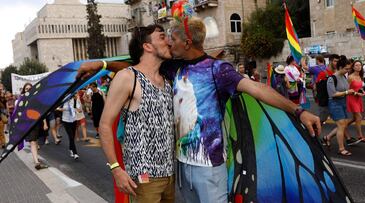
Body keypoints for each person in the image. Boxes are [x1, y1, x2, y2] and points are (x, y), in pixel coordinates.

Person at [78, 18, 320, 203]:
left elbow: (256, 88)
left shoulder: (218, 70)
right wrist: (101, 64)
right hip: (178, 168)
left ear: (187, 42)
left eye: (171, 38)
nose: (169, 42)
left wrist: (298, 111)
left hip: (208, 167)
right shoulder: (172, 69)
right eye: (164, 38)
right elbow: (136, 66)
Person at [100, 25, 175, 202]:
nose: (169, 42)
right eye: (162, 37)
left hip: (170, 175)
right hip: (144, 178)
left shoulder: (167, 81)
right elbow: (104, 125)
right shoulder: (128, 77)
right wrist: (116, 169)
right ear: (147, 46)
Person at [323, 56, 354, 156]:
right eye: (346, 68)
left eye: (349, 69)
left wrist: (354, 93)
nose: (348, 71)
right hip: (335, 104)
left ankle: (327, 137)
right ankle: (341, 149)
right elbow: (332, 94)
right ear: (340, 67)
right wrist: (346, 92)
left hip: (343, 102)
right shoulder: (332, 79)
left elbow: (346, 90)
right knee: (341, 125)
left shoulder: (344, 77)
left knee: (344, 124)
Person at [20, 83, 49, 169]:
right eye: (26, 89)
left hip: (38, 122)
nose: (28, 89)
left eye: (29, 88)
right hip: (28, 124)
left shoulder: (37, 98)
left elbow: (41, 111)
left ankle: (36, 158)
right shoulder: (22, 100)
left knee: (36, 141)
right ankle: (36, 162)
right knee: (32, 141)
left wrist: (45, 123)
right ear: (24, 90)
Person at [347, 60, 365, 143]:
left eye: (360, 65)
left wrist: (362, 91)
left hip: (358, 98)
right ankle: (360, 136)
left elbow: (358, 87)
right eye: (356, 65)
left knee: (354, 118)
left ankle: (343, 126)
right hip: (351, 98)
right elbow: (347, 89)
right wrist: (357, 93)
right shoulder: (350, 77)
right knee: (359, 117)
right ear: (353, 67)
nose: (358, 67)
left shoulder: (360, 76)